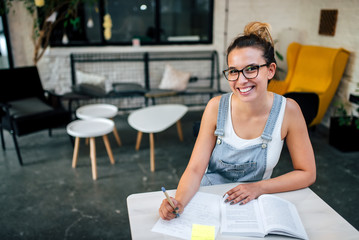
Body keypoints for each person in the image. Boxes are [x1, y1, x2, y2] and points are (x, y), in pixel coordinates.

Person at [159, 22, 316, 220]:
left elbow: (307, 172)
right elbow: (196, 168)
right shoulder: (215, 107)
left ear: (270, 70)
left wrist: (259, 187)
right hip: (208, 200)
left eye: (251, 69)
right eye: (233, 71)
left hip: (255, 203)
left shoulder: (289, 111)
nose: (241, 80)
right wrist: (179, 201)